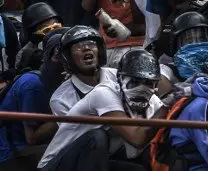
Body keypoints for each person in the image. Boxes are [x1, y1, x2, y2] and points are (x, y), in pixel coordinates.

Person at [38, 49, 166, 171]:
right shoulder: (104, 93)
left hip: (92, 161)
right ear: (121, 79)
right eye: (134, 82)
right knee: (97, 137)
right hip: (55, 164)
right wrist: (168, 104)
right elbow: (136, 139)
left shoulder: (153, 101)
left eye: (149, 83)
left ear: (156, 86)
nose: (141, 89)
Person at [0, 31, 67, 171]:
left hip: (31, 147)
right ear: (48, 57)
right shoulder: (34, 84)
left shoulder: (59, 82)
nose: (62, 61)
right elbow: (31, 138)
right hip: (11, 154)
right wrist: (68, 115)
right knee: (68, 155)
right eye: (58, 56)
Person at [50, 26, 118, 116]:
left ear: (100, 51)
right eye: (78, 46)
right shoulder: (61, 100)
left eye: (91, 44)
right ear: (68, 57)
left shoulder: (118, 76)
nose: (86, 48)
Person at [158, 12, 208, 94]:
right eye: (190, 40)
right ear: (176, 46)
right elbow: (162, 93)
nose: (198, 44)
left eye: (202, 38)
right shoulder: (167, 70)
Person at [16, 2, 63, 68]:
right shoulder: (24, 55)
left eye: (56, 27)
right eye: (47, 30)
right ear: (34, 35)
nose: (53, 32)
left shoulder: (70, 43)